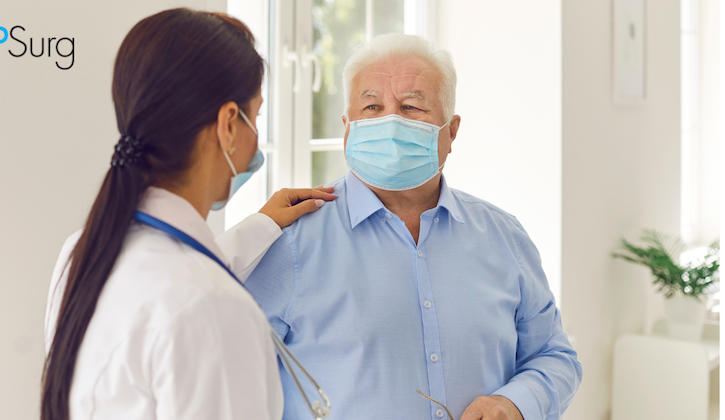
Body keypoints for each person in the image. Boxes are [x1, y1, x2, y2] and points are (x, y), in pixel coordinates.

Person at [244, 34, 582, 420]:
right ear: (347, 127)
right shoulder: (290, 240)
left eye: (411, 106)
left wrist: (516, 403)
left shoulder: (504, 237)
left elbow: (554, 356)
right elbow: (234, 381)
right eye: (371, 106)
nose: (390, 122)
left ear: (451, 132)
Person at [41, 9, 335, 420]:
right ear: (229, 124)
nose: (256, 139)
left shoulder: (83, 252)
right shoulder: (212, 304)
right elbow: (191, 296)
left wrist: (262, 225)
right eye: (258, 116)